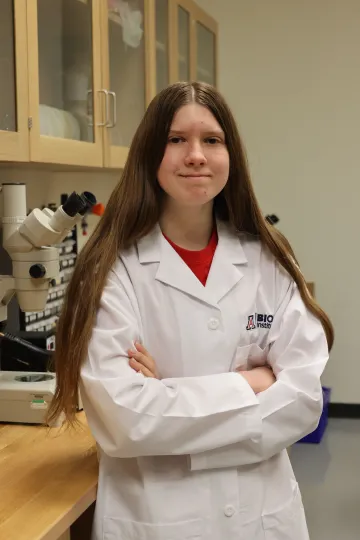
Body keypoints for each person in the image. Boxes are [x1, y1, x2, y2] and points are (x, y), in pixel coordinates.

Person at [48, 81, 334, 540]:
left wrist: (171, 397)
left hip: (261, 518)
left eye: (212, 140)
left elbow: (302, 401)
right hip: (157, 519)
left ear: (231, 155)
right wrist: (252, 383)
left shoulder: (269, 259)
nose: (196, 155)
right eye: (176, 139)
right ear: (149, 154)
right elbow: (126, 421)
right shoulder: (113, 270)